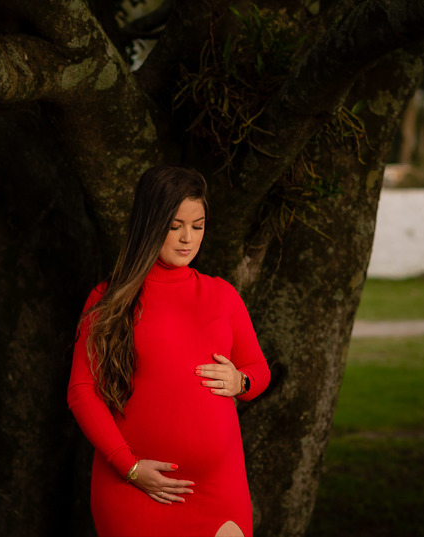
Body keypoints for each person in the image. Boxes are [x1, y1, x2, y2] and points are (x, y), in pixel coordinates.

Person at [68, 166, 271, 537]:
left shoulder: (221, 295)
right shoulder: (110, 300)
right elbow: (82, 392)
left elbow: (258, 369)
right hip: (133, 489)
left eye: (198, 225)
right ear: (150, 223)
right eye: (175, 225)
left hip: (218, 489)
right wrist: (127, 467)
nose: (187, 238)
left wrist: (241, 381)